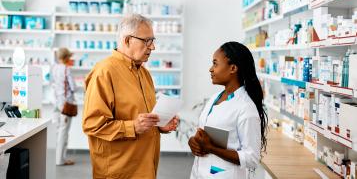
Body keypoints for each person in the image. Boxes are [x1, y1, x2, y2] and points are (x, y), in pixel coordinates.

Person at [82, 14, 179, 179]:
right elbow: (92, 124)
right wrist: (132, 127)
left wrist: (160, 124)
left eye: (153, 40)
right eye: (147, 41)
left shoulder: (144, 73)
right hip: (119, 171)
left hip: (145, 167)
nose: (152, 47)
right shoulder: (104, 72)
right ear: (127, 40)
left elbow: (142, 117)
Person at [188, 41, 268, 179]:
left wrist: (212, 148)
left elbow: (251, 158)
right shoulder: (214, 98)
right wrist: (193, 141)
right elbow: (203, 133)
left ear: (233, 68)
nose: (211, 69)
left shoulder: (246, 108)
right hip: (199, 172)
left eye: (215, 63)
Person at [51, 47, 77, 166]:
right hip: (65, 104)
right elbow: (73, 87)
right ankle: (60, 160)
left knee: (58, 131)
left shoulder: (54, 68)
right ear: (66, 58)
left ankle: (58, 158)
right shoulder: (67, 69)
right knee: (64, 132)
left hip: (56, 103)